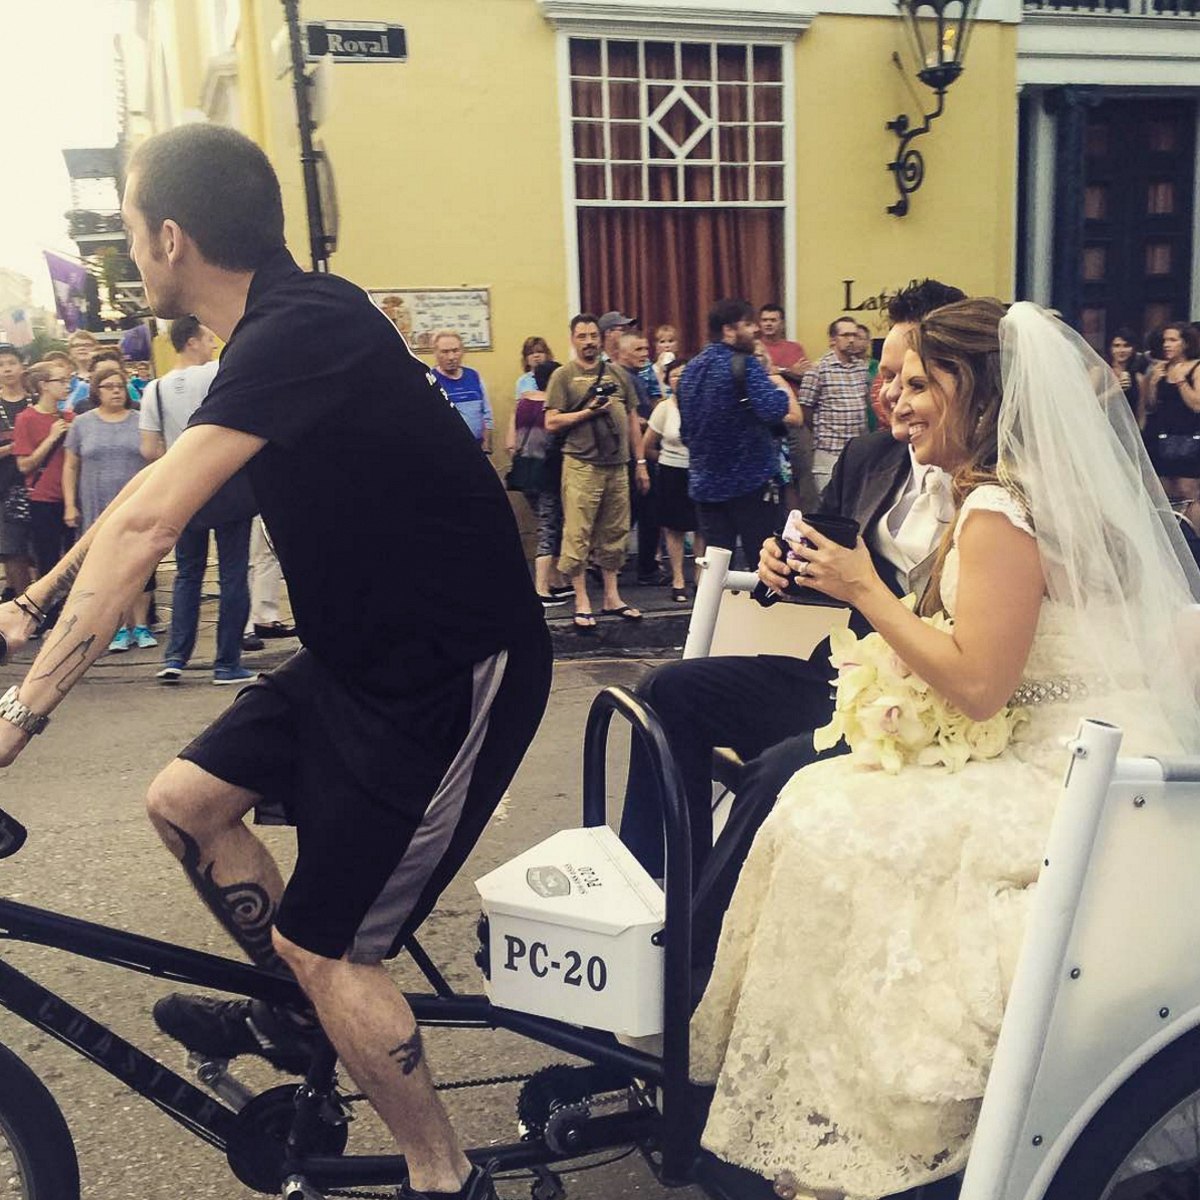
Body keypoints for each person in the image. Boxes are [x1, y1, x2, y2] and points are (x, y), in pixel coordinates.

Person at [0, 123, 549, 1200]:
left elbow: (153, 525)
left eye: (128, 227)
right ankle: (305, 1020)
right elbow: (135, 515)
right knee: (183, 804)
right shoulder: (271, 334)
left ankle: (446, 1174)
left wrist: (21, 719)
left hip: (447, 673)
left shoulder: (307, 326)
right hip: (356, 662)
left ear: (170, 238)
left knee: (332, 946)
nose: (125, 245)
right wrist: (34, 597)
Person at [690, 298, 1200, 1199]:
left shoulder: (1002, 508)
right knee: (821, 800)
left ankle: (864, 1113)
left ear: (976, 391)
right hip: (1056, 741)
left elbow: (978, 684)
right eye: (899, 382)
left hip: (1069, 764)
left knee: (827, 814)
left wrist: (866, 593)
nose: (901, 401)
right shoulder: (1008, 495)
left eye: (921, 383)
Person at [618, 278, 965, 898]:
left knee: (775, 773)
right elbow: (822, 552)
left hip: (932, 705)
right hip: (843, 678)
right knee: (665, 692)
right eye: (886, 376)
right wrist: (783, 562)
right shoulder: (869, 456)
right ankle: (649, 892)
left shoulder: (992, 482)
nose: (887, 394)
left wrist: (855, 583)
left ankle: (695, 947)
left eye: (910, 380)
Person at [140, 314, 254, 684]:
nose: (212, 344)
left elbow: (149, 449)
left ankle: (176, 656)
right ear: (191, 341)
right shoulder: (218, 373)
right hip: (226, 482)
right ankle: (226, 663)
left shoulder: (153, 389)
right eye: (206, 338)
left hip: (181, 488)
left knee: (189, 573)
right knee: (233, 573)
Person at [544, 313, 647, 631]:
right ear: (573, 339)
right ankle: (582, 600)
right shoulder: (563, 376)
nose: (588, 342)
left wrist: (640, 463)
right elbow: (551, 422)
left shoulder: (617, 374)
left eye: (593, 336)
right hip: (581, 466)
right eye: (582, 336)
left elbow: (631, 419)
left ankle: (612, 597)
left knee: (615, 533)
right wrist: (588, 413)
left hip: (617, 467)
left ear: (600, 339)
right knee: (578, 533)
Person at [677, 298, 798, 565]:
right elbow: (773, 409)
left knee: (717, 565)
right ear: (729, 330)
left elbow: (685, 433)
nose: (755, 330)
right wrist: (775, 383)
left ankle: (718, 608)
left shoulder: (690, 371)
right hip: (750, 483)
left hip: (706, 485)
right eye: (748, 324)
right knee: (763, 560)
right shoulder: (745, 364)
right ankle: (762, 608)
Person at [63, 361, 156, 651]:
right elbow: (70, 466)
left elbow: (156, 458)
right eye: (109, 386)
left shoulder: (140, 419)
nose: (116, 391)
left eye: (121, 386)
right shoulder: (82, 423)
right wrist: (69, 505)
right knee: (108, 571)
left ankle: (141, 626)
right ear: (96, 390)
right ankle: (116, 628)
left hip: (137, 504)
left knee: (140, 565)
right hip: (97, 507)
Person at [504, 358, 570, 606]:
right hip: (546, 473)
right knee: (549, 529)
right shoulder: (553, 407)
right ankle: (541, 589)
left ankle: (556, 582)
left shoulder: (523, 402)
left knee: (545, 524)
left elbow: (510, 442)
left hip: (524, 472)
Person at [12, 361, 73, 599]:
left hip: (70, 497)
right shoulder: (26, 419)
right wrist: (51, 438)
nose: (66, 386)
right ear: (43, 385)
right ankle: (47, 614)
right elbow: (24, 464)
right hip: (42, 498)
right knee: (47, 560)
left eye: (68, 380)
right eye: (61, 381)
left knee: (72, 558)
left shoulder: (70, 416)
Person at [644, 357, 701, 601]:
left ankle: (700, 578)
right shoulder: (664, 408)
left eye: (684, 374)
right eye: (675, 375)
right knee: (674, 528)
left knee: (702, 527)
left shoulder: (703, 405)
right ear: (668, 380)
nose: (680, 379)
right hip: (671, 473)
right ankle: (678, 579)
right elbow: (647, 445)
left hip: (699, 473)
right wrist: (667, 459)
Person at [798, 316, 871, 493]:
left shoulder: (861, 368)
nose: (851, 340)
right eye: (845, 335)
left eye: (854, 335)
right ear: (833, 340)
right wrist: (821, 432)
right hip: (829, 451)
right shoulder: (818, 369)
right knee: (830, 507)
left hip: (857, 451)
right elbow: (805, 408)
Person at [616, 329, 665, 586]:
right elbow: (629, 418)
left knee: (638, 512)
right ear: (621, 352)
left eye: (646, 349)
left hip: (638, 454)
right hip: (636, 456)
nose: (645, 354)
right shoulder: (625, 378)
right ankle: (646, 568)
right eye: (638, 350)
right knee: (645, 511)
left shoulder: (636, 377)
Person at [1142, 321, 1200, 502]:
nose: (1166, 344)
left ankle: (1192, 530)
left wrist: (1181, 381)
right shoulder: (1160, 368)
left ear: (1186, 343)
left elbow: (1197, 405)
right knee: (1164, 489)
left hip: (1189, 435)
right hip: (1163, 435)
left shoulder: (1196, 367)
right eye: (1165, 340)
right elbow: (1151, 406)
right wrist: (1152, 384)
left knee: (1187, 490)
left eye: (1173, 340)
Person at [0, 344, 33, 599]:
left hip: (40, 486)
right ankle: (21, 605)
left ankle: (47, 607)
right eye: (1, 365)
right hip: (5, 489)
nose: (7, 369)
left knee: (44, 550)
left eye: (11, 362)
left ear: (23, 366)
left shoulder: (37, 397)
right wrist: (14, 447)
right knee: (12, 551)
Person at [432, 331, 492, 454]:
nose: (451, 357)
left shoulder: (474, 375)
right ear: (436, 353)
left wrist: (486, 447)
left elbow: (486, 414)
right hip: (446, 450)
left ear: (462, 351)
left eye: (455, 350)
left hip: (477, 449)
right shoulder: (431, 380)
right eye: (445, 352)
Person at [1106, 326, 1145, 418]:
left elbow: (1141, 409)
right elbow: (1090, 402)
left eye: (1126, 346)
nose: (1121, 350)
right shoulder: (1101, 372)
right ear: (1110, 348)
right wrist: (1115, 389)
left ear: (1133, 348)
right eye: (1117, 346)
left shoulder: (1138, 377)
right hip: (1104, 425)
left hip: (1129, 427)